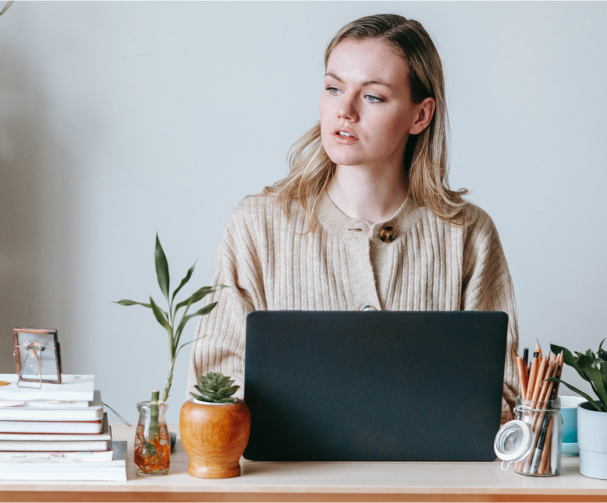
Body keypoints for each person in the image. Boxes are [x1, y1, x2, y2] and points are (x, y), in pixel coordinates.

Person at [186, 13, 520, 424]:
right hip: (286, 485)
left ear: (421, 115)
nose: (344, 111)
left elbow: (501, 395)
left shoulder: (469, 234)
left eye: (373, 96)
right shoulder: (256, 225)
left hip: (431, 485)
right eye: (333, 88)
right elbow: (213, 382)